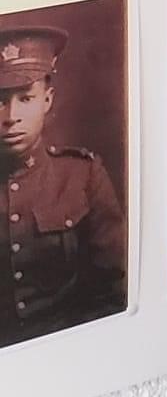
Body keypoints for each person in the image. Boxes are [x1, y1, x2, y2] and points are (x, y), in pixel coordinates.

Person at [0, 26, 125, 347]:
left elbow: (113, 289)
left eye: (25, 98)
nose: (11, 116)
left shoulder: (82, 175)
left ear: (47, 100)